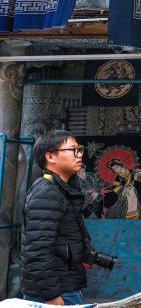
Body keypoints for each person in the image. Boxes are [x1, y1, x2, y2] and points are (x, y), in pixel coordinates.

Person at [21, 130, 92, 305]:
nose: (79, 155)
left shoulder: (61, 188)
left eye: (80, 149)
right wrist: (52, 296)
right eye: (73, 150)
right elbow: (37, 251)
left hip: (65, 287)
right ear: (51, 156)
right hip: (55, 293)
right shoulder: (47, 192)